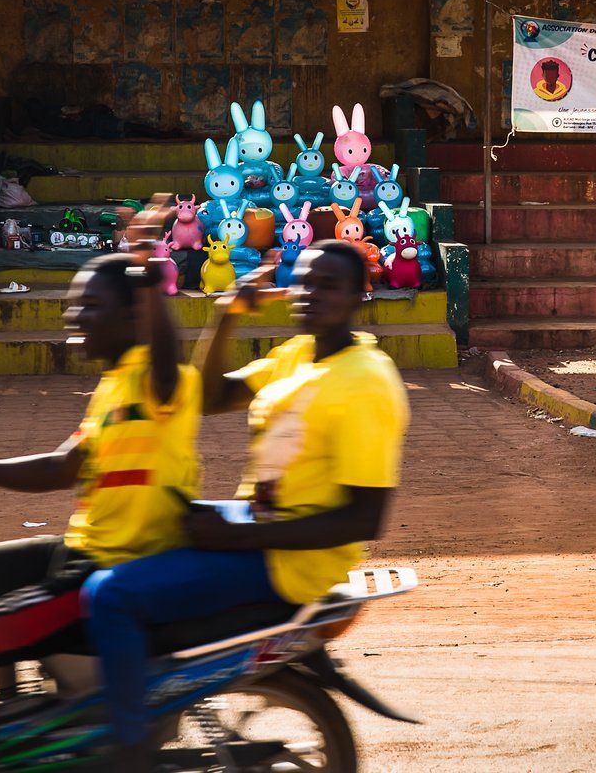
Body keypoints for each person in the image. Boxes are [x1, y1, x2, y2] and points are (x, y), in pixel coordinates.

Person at [82, 240, 409, 770]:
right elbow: (208, 397)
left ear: (359, 296)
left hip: (290, 562)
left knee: (109, 595)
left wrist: (239, 537)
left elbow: (365, 518)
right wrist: (225, 315)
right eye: (303, 281)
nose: (310, 293)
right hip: (255, 531)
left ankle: (127, 747)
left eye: (328, 285)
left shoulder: (367, 382)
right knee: (135, 535)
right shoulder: (298, 354)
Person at [0, 201, 200, 773]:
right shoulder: (115, 386)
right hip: (83, 549)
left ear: (132, 316)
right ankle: (17, 716)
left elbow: (168, 352)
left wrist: (141, 263)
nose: (74, 317)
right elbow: (61, 468)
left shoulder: (160, 381)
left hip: (109, 567)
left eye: (89, 306)